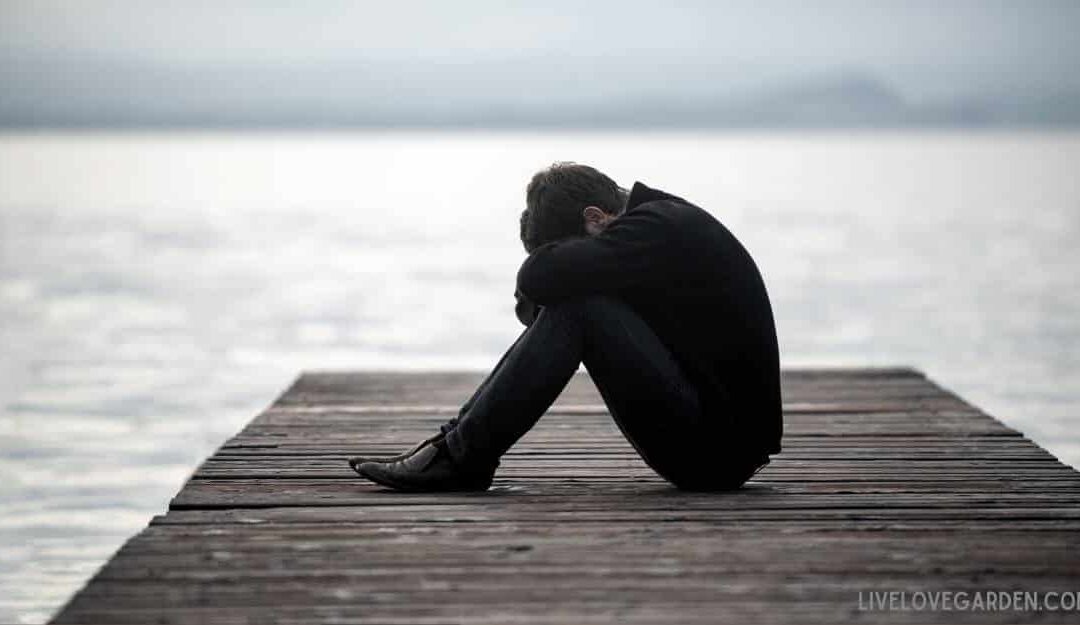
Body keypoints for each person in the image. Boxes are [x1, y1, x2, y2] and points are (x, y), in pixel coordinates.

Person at [349, 162, 782, 492]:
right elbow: (541, 299)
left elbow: (539, 280)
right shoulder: (660, 227)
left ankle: (460, 456)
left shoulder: (659, 226)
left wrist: (557, 278)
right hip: (715, 448)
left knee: (580, 308)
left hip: (716, 456)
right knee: (577, 304)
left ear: (596, 217)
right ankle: (457, 449)